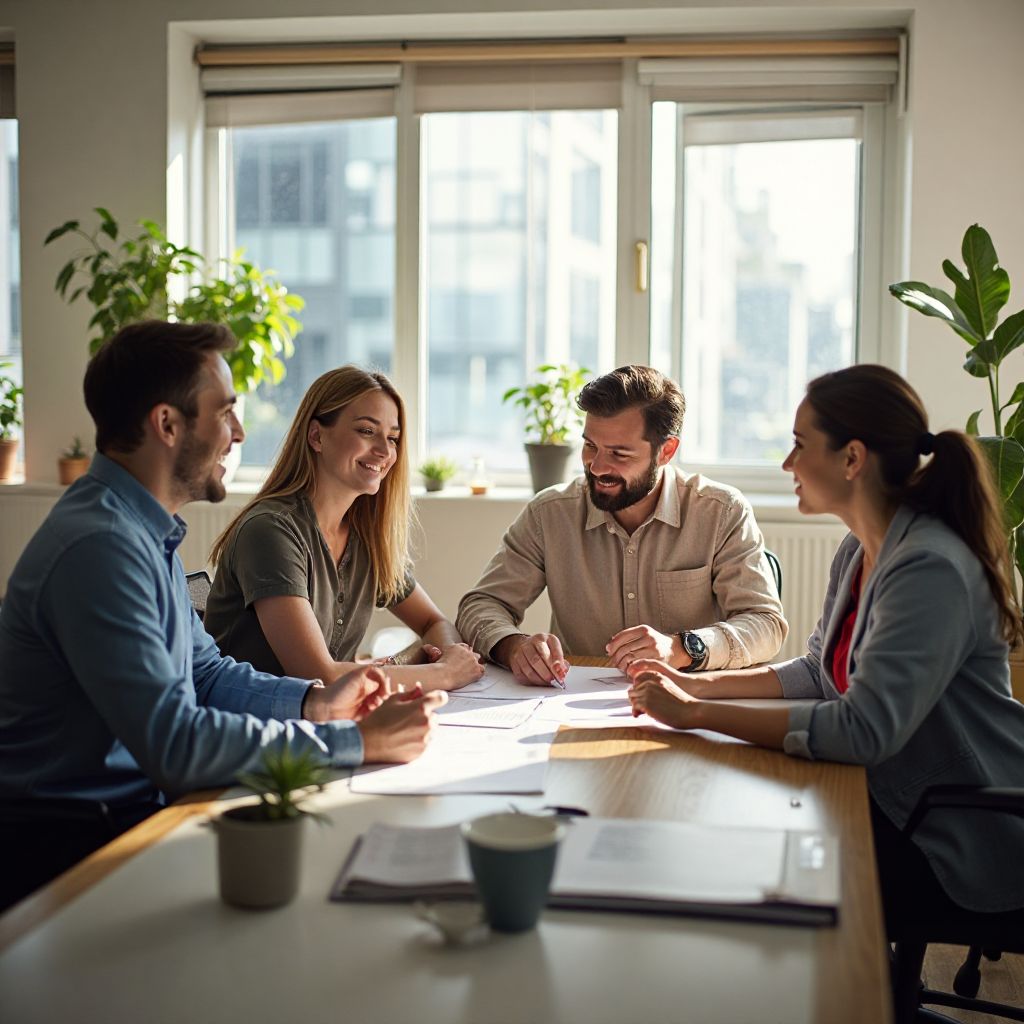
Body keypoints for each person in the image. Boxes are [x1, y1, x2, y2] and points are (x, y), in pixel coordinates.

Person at [0, 322, 444, 911]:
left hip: (129, 814)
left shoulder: (140, 532)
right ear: (167, 424)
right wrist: (352, 741)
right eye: (226, 412)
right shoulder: (100, 546)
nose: (239, 432)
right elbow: (177, 744)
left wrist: (315, 703)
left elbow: (207, 675)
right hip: (71, 842)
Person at [627, 364, 1024, 924]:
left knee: (741, 859)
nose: (787, 463)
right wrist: (696, 684)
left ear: (852, 458)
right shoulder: (860, 548)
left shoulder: (928, 567)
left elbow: (862, 731)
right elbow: (818, 672)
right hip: (887, 795)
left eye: (800, 444)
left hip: (953, 827)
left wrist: (696, 714)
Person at [456, 364, 786, 685]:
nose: (597, 467)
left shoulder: (721, 512)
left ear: (666, 451)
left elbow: (765, 624)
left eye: (619, 454)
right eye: (590, 446)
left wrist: (681, 648)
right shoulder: (549, 513)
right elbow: (481, 605)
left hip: (686, 702)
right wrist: (514, 646)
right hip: (568, 704)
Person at [204, 365, 484, 692]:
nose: (384, 451)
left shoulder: (367, 538)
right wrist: (444, 672)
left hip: (329, 716)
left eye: (392, 438)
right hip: (257, 720)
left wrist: (425, 659)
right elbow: (317, 676)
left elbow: (434, 622)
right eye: (366, 431)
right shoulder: (270, 531)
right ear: (316, 436)